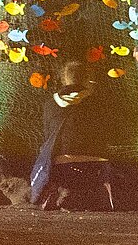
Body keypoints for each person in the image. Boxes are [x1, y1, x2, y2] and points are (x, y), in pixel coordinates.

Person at [29, 57, 117, 210]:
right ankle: (100, 195)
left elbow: (47, 135)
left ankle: (58, 191)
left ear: (64, 79)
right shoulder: (100, 102)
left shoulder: (50, 104)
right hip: (96, 166)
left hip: (61, 167)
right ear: (87, 80)